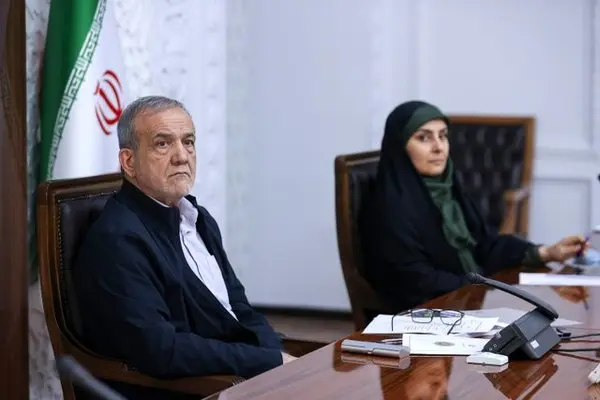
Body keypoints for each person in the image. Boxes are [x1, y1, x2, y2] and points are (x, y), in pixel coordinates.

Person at [74, 95, 295, 399]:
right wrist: (267, 362)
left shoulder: (198, 219)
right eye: (162, 144)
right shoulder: (117, 240)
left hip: (236, 377)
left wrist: (277, 356)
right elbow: (161, 349)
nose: (181, 156)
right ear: (129, 162)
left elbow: (238, 308)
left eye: (188, 142)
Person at [359, 100, 588, 312]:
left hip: (467, 302)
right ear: (400, 147)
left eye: (443, 136)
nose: (439, 147)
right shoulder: (390, 208)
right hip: (427, 318)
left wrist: (546, 252)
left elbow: (485, 244)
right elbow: (415, 280)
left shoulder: (447, 190)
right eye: (424, 138)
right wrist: (485, 289)